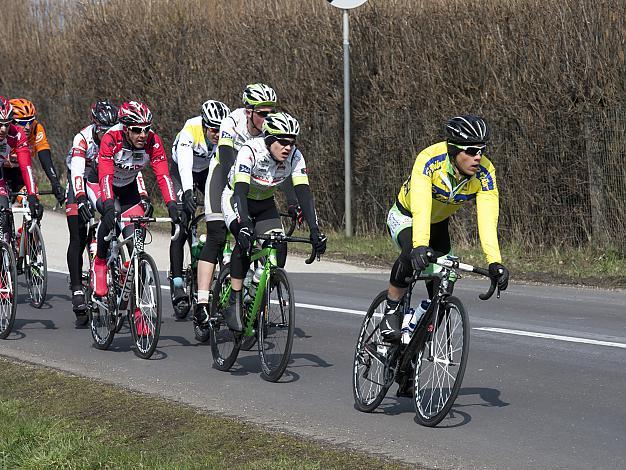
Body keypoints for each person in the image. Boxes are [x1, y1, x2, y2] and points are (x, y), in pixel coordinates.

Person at [379, 115, 509, 344]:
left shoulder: (486, 173)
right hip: (407, 216)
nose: (478, 156)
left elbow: (488, 219)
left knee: (443, 287)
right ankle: (391, 311)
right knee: (411, 252)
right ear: (453, 149)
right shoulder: (430, 159)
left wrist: (495, 262)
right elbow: (421, 207)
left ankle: (414, 350)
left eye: (482, 149)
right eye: (471, 150)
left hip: (438, 225)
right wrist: (420, 245)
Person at [193, 83, 298, 329]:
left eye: (271, 112)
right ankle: (202, 302)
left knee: (273, 243)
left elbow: (280, 169)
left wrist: (292, 201)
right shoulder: (233, 121)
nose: (267, 118)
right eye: (262, 113)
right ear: (248, 111)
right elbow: (228, 155)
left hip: (253, 184)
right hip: (225, 177)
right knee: (218, 235)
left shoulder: (273, 131)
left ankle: (252, 286)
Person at [219, 112, 326, 331]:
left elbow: (304, 193)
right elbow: (239, 191)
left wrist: (315, 230)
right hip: (237, 199)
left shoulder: (295, 156)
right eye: (282, 142)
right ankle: (235, 300)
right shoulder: (250, 151)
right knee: (243, 240)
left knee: (280, 246)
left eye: (292, 142)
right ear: (269, 139)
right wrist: (244, 223)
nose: (288, 147)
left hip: (265, 204)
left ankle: (258, 289)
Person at [92, 101, 181, 336]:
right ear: (125, 128)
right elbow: (105, 176)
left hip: (129, 189)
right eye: (137, 129)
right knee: (109, 218)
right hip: (105, 186)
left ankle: (139, 312)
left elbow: (163, 177)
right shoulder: (111, 139)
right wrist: (109, 206)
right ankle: (100, 262)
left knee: (137, 244)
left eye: (146, 129)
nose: (143, 135)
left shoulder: (153, 141)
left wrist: (172, 205)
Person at [65, 100, 151, 325]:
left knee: (124, 225)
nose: (108, 134)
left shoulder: (122, 139)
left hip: (112, 183)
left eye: (112, 128)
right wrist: (81, 200)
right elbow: (76, 171)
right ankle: (76, 290)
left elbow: (133, 169)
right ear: (95, 126)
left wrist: (143, 195)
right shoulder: (82, 138)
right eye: (103, 130)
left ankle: (123, 273)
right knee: (78, 233)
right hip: (83, 182)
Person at [168, 99, 230, 312]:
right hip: (180, 170)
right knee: (181, 221)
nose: (217, 134)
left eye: (221, 129)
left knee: (223, 209)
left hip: (205, 171)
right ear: (204, 125)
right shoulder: (190, 130)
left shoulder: (226, 134)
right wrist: (187, 194)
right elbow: (185, 167)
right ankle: (177, 283)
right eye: (213, 129)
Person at [0, 96, 42, 246]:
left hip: (6, 179)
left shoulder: (17, 134)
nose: (3, 129)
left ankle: (23, 245)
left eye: (6, 124)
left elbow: (27, 167)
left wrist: (32, 195)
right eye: (0, 124)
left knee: (6, 217)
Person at [7, 98, 65, 205]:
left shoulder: (37, 129)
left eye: (31, 121)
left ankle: (30, 221)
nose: (28, 127)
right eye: (23, 122)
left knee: (34, 205)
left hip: (21, 172)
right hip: (2, 171)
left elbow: (46, 160)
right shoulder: (5, 131)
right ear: (11, 122)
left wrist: (55, 183)